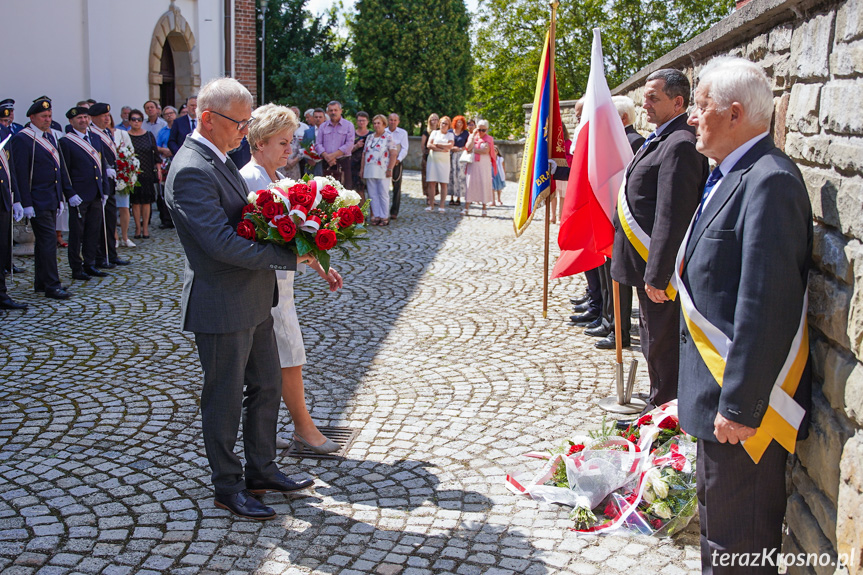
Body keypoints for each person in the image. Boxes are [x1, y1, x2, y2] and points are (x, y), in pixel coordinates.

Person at [679, 56, 812, 575]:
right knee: (720, 537)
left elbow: (765, 302)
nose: (692, 116)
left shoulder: (769, 181)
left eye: (701, 104)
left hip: (742, 412)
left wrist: (740, 406)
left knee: (740, 547)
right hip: (716, 400)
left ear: (734, 114)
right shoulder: (732, 173)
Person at [166, 77, 316, 521]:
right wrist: (286, 253)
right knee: (225, 398)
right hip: (222, 303)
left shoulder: (220, 156)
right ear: (208, 120)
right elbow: (219, 244)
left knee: (267, 386)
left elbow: (246, 220)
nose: (245, 130)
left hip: (252, 298)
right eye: (239, 121)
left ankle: (262, 469)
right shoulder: (192, 167)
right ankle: (227, 486)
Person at [240, 103, 345, 454]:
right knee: (288, 357)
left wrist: (320, 266)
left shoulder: (280, 180)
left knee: (277, 360)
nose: (290, 150)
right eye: (283, 143)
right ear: (259, 142)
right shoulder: (251, 180)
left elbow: (296, 237)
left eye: (291, 142)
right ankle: (304, 429)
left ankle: (266, 433)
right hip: (263, 287)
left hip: (281, 285)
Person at [610, 68, 709, 412]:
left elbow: (672, 213)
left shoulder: (680, 143)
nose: (645, 104)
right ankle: (660, 401)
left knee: (662, 344)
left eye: (654, 97)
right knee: (653, 339)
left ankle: (665, 412)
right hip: (644, 260)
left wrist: (659, 271)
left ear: (678, 102)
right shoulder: (661, 137)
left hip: (658, 267)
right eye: (645, 97)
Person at [589, 96, 644, 350]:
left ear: (622, 118)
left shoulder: (634, 142)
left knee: (619, 279)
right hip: (609, 216)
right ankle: (608, 320)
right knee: (607, 272)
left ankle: (619, 329)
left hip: (623, 220)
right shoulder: (616, 141)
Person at [10, 96, 72, 299]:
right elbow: (20, 173)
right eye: (44, 116)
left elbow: (57, 169)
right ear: (32, 117)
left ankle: (41, 282)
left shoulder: (49, 136)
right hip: (36, 200)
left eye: (49, 116)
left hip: (51, 198)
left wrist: (60, 196)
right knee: (47, 242)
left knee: (43, 243)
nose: (48, 119)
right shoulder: (23, 138)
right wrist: (24, 202)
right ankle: (52, 285)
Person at [59, 106, 109, 282]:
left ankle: (90, 263)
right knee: (77, 234)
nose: (83, 120)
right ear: (71, 121)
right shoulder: (66, 142)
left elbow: (101, 165)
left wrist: (104, 189)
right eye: (79, 118)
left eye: (85, 117)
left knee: (92, 231)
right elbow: (64, 170)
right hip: (78, 195)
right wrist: (70, 193)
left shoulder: (94, 138)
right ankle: (76, 267)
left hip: (95, 192)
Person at [89, 103, 131, 267]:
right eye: (103, 116)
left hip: (111, 182)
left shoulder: (106, 132)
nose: (107, 118)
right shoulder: (92, 134)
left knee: (111, 219)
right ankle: (101, 256)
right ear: (94, 118)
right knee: (100, 222)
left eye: (108, 115)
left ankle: (111, 254)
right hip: (99, 183)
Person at [127, 109, 160, 240]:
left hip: (147, 171)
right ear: (129, 121)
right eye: (134, 119)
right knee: (135, 202)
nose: (136, 122)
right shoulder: (126, 135)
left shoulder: (148, 135)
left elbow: (155, 153)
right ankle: (137, 227)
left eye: (139, 119)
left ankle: (145, 227)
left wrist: (158, 170)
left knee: (146, 202)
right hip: (132, 173)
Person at [1, 140, 27, 310]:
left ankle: (1, 295)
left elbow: (10, 172)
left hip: (3, 201)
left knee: (1, 250)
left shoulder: (3, 135)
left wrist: (16, 199)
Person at [361, 114, 398, 226]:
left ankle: (384, 216)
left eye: (379, 123)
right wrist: (362, 168)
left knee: (383, 193)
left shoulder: (388, 137)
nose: (376, 125)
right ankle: (376, 216)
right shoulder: (370, 137)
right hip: (369, 168)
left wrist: (390, 168)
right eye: (375, 123)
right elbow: (364, 154)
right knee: (372, 194)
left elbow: (393, 153)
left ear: (384, 124)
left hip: (382, 169)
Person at [315, 101, 355, 188]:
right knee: (327, 191)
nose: (333, 112)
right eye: (331, 110)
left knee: (345, 190)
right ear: (327, 112)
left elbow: (349, 144)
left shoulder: (348, 125)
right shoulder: (323, 126)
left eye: (335, 110)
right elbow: (318, 144)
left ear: (341, 111)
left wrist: (332, 156)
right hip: (327, 163)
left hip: (343, 162)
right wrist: (327, 157)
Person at [463, 119, 496, 217]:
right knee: (470, 184)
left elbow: (485, 151)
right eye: (479, 129)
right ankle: (466, 207)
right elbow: (468, 147)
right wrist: (473, 135)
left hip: (483, 165)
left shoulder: (489, 138)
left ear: (487, 130)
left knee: (484, 184)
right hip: (473, 164)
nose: (481, 132)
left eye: (483, 130)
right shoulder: (472, 136)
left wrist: (473, 150)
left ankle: (484, 208)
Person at [112, 116, 135, 247]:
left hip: (122, 173)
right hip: (110, 175)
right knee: (111, 209)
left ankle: (125, 237)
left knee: (124, 207)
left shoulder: (122, 133)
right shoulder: (98, 134)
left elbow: (130, 151)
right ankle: (115, 236)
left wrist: (128, 169)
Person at [425, 116, 453, 212]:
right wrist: (441, 149)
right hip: (433, 159)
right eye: (442, 123)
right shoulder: (434, 133)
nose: (443, 125)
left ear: (448, 125)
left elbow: (450, 146)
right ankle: (431, 205)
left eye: (445, 123)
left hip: (444, 161)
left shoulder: (450, 135)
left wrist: (438, 145)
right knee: (431, 182)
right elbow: (429, 145)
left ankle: (442, 206)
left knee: (443, 183)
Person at [385, 113, 408, 220]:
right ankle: (383, 210)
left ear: (398, 121)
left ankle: (394, 211)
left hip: (397, 162)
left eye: (395, 120)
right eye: (390, 120)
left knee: (397, 187)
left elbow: (404, 148)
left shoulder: (403, 133)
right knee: (383, 187)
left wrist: (398, 160)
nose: (392, 122)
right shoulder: (383, 132)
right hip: (384, 162)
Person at [449, 115, 469, 206]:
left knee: (460, 176)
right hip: (450, 155)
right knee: (451, 175)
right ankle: (451, 197)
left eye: (461, 122)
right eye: (458, 122)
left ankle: (458, 197)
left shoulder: (465, 133)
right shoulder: (450, 132)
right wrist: (452, 147)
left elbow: (468, 146)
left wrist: (460, 149)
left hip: (461, 156)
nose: (459, 124)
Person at [350, 111, 370, 201]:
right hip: (353, 165)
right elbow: (346, 150)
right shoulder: (352, 134)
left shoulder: (371, 135)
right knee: (355, 190)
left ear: (367, 122)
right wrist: (356, 146)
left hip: (368, 165)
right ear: (356, 121)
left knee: (368, 191)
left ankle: (369, 213)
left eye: (363, 120)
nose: (361, 122)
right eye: (359, 120)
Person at [420, 114, 439, 195]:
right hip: (428, 157)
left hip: (437, 156)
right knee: (427, 177)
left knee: (435, 178)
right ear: (429, 121)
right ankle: (428, 196)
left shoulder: (440, 131)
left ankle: (433, 196)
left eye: (436, 119)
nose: (434, 121)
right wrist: (426, 153)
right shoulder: (426, 132)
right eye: (432, 119)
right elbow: (422, 145)